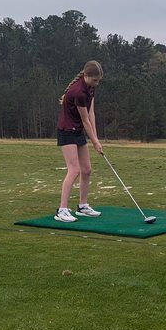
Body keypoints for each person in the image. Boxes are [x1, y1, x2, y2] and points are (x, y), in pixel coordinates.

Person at [55, 60, 105, 222]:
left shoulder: (90, 89)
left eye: (98, 81)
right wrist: (95, 142)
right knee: (74, 170)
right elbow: (85, 120)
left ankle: (82, 206)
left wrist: (96, 138)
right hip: (66, 131)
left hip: (77, 131)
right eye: (94, 80)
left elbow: (91, 115)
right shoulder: (79, 92)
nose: (96, 83)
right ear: (85, 76)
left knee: (87, 169)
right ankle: (62, 210)